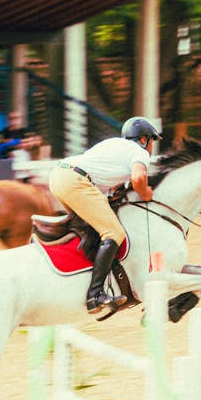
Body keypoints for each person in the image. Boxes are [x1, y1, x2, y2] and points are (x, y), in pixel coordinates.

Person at [48, 116, 160, 315]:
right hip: (76, 180)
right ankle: (95, 295)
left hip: (59, 175)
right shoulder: (138, 152)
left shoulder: (113, 146)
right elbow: (138, 177)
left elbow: (108, 195)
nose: (151, 146)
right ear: (143, 139)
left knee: (92, 229)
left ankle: (78, 277)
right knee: (114, 233)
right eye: (152, 140)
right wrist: (145, 193)